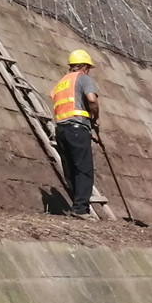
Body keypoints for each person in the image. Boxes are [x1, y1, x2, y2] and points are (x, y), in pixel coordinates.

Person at [50, 50, 109, 219]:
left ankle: (77, 205)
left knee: (70, 168)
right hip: (77, 127)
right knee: (83, 169)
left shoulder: (61, 83)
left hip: (61, 129)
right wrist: (94, 117)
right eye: (88, 67)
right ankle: (81, 209)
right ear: (84, 67)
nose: (88, 71)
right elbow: (91, 99)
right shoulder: (82, 78)